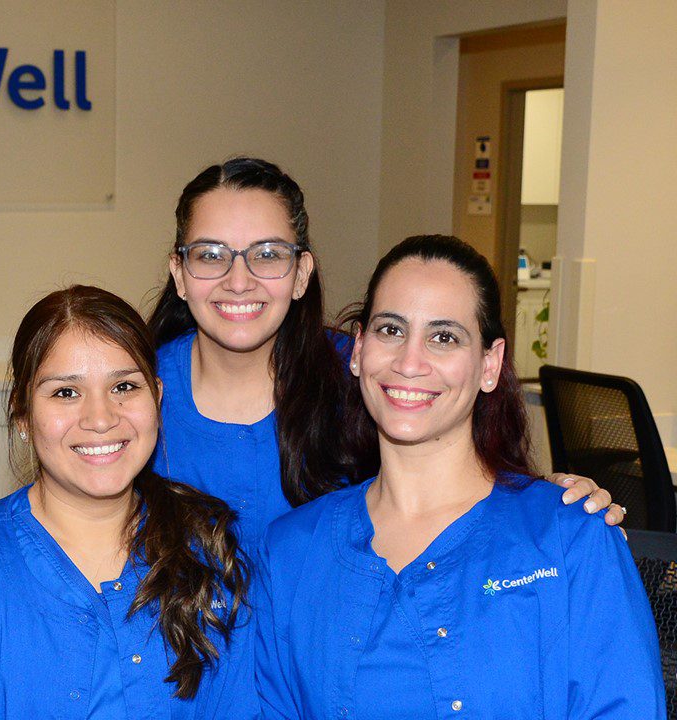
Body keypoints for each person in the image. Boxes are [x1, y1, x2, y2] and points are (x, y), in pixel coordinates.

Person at [0, 157, 622, 585]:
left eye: (267, 254)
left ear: (302, 273)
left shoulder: (372, 377)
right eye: (210, 254)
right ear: (178, 272)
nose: (239, 280)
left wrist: (545, 498)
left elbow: (459, 471)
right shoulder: (134, 400)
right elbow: (61, 503)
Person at [253, 235, 663, 718]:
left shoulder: (570, 536)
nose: (409, 362)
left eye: (444, 336)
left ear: (490, 364)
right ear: (358, 349)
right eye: (391, 330)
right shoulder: (291, 554)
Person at [0, 286, 253, 718]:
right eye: (66, 392)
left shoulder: (212, 552)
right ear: (23, 414)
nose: (101, 418)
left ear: (157, 398)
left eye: (124, 386)